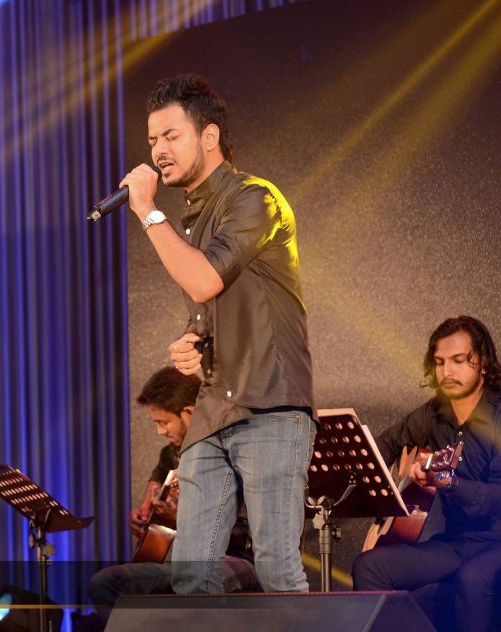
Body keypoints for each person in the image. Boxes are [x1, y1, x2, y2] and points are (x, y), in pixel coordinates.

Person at [119, 74, 316, 594]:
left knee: (276, 569)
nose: (158, 151)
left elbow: (205, 278)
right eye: (152, 140)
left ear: (209, 137)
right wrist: (193, 343)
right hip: (213, 409)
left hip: (269, 403)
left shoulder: (255, 198)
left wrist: (147, 210)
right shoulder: (192, 216)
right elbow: (212, 298)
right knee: (191, 573)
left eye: (171, 136)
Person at [352, 316, 501, 632]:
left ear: (482, 364)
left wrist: (445, 481)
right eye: (440, 362)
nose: (447, 372)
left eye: (458, 361)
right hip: (456, 543)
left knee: (473, 579)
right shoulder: (434, 412)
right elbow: (386, 444)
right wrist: (360, 474)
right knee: (370, 568)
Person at [88, 368, 257, 609]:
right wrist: (145, 515)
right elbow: (157, 482)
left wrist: (183, 520)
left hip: (236, 560)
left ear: (188, 413)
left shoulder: (229, 451)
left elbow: (245, 533)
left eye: (164, 422)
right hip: (190, 560)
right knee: (109, 582)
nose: (160, 431)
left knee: (112, 583)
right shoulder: (171, 454)